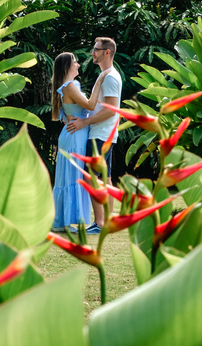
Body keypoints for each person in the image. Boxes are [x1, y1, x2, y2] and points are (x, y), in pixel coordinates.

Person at [66, 37, 122, 230]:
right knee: (105, 178)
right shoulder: (106, 75)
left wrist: (85, 122)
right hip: (104, 133)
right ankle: (107, 220)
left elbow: (111, 110)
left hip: (101, 133)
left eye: (97, 49)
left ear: (107, 52)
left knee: (93, 177)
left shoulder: (110, 77)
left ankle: (99, 223)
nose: (93, 53)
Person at [51, 52, 108, 233]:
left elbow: (64, 116)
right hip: (75, 136)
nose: (78, 64)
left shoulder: (66, 87)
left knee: (71, 177)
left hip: (73, 134)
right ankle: (67, 221)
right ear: (67, 67)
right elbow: (90, 106)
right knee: (74, 177)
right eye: (74, 62)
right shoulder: (70, 86)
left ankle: (64, 220)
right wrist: (99, 82)